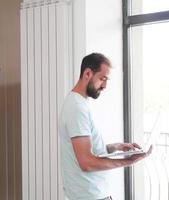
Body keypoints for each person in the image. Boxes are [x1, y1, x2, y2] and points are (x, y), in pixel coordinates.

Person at [59, 53, 152, 200]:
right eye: (102, 79)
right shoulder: (77, 107)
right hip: (90, 196)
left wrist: (116, 147)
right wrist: (129, 161)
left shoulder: (79, 104)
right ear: (87, 73)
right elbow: (87, 162)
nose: (105, 86)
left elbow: (87, 151)